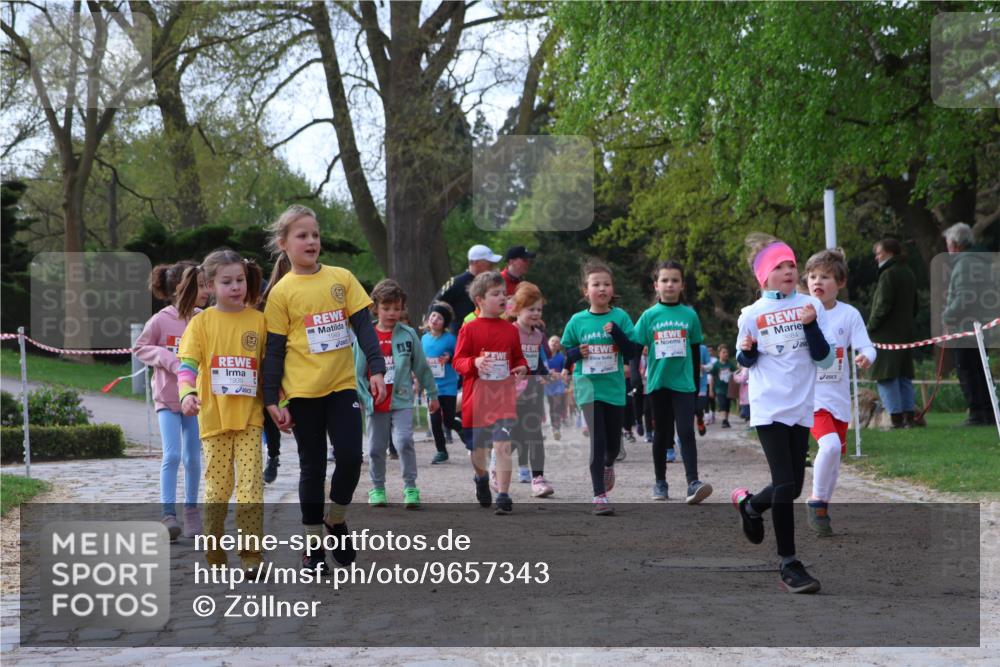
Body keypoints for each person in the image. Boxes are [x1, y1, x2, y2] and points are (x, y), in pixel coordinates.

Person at [262, 204, 386, 572]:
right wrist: (271, 399)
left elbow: (365, 326)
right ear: (284, 244)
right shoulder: (281, 293)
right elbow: (274, 351)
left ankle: (337, 518)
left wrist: (375, 369)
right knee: (312, 469)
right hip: (302, 394)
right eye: (302, 235)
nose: (311, 241)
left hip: (342, 387)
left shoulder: (341, 279)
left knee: (350, 457)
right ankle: (313, 546)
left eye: (315, 234)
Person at [730, 232, 835, 594]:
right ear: (764, 276)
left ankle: (750, 506)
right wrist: (746, 350)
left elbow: (823, 357)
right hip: (768, 407)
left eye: (792, 264)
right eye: (780, 266)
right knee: (786, 483)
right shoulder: (751, 315)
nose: (789, 271)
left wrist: (809, 325)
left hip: (801, 406)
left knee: (790, 488)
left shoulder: (811, 307)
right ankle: (789, 563)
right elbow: (745, 361)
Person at [176, 249, 268, 571]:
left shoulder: (259, 321)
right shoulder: (201, 323)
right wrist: (186, 392)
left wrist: (280, 403)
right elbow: (187, 366)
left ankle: (251, 556)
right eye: (226, 281)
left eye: (240, 280)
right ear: (210, 284)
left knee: (251, 486)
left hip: (250, 419)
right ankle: (214, 552)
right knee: (217, 489)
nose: (235, 287)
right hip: (213, 419)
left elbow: (270, 370)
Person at [135, 260, 210, 541]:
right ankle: (168, 513)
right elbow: (140, 347)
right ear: (180, 287)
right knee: (173, 454)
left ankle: (192, 511)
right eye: (201, 284)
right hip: (167, 400)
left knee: (193, 457)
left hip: (195, 401)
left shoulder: (204, 317)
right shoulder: (160, 320)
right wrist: (169, 360)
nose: (206, 290)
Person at [803, 249, 877, 536]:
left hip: (838, 399)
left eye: (825, 276)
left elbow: (866, 345)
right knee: (830, 446)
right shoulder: (801, 310)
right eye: (812, 276)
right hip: (811, 398)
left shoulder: (849, 315)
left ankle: (823, 509)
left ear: (841, 282)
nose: (817, 281)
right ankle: (815, 501)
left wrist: (866, 357)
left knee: (835, 456)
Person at [631, 261, 712, 504]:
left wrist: (698, 386)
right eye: (664, 280)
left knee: (686, 432)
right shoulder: (649, 316)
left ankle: (693, 482)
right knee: (662, 434)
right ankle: (660, 482)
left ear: (682, 285)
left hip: (684, 384)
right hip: (658, 384)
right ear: (656, 286)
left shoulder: (690, 315)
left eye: (675, 280)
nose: (670, 284)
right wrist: (635, 376)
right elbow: (635, 350)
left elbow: (696, 350)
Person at [561, 259, 637, 516]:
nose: (602, 289)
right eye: (596, 284)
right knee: (598, 440)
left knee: (613, 446)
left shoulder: (620, 317)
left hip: (614, 388)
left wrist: (617, 334)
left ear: (612, 289)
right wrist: (575, 352)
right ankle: (599, 495)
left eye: (606, 284)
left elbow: (632, 351)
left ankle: (608, 463)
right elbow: (565, 356)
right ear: (586, 291)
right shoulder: (577, 321)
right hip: (588, 388)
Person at [356, 279, 439, 508]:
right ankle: (377, 488)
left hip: (402, 399)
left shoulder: (409, 334)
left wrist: (432, 393)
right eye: (386, 308)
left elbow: (421, 367)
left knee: (404, 441)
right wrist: (364, 398)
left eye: (397, 308)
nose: (392, 313)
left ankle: (410, 487)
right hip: (376, 402)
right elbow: (357, 372)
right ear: (375, 308)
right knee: (375, 448)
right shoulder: (366, 336)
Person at [452, 271, 529, 514]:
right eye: (495, 294)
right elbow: (458, 361)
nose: (502, 298)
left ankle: (504, 496)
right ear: (480, 300)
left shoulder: (510, 330)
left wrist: (522, 367)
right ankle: (481, 478)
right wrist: (474, 363)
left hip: (503, 399)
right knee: (477, 451)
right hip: (476, 400)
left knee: (503, 446)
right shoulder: (470, 328)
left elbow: (518, 357)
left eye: (504, 294)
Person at [941, 223, 997, 426]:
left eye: (948, 245)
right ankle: (989, 412)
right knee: (981, 368)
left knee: (967, 369)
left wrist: (947, 316)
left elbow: (964, 298)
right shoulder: (981, 261)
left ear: (955, 245)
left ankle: (978, 413)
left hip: (967, 326)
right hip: (982, 324)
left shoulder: (964, 263)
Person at [507, 281, 555, 497]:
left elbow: (537, 364)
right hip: (510, 394)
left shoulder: (538, 336)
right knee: (516, 435)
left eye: (539, 309)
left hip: (533, 391)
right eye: (531, 309)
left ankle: (538, 478)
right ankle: (496, 463)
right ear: (517, 309)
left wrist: (547, 373)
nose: (536, 313)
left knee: (534, 434)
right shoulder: (509, 332)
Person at [867, 238, 921, 428]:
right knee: (904, 376)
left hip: (886, 335)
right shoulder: (908, 272)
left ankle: (895, 419)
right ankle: (910, 417)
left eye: (879, 252)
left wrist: (870, 327)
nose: (876, 257)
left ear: (889, 253)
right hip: (905, 333)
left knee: (886, 376)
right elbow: (915, 305)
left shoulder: (888, 274)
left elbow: (883, 306)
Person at [422, 302, 463, 463]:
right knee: (435, 421)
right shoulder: (424, 339)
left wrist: (449, 358)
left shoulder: (450, 339)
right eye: (433, 316)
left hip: (448, 386)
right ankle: (441, 451)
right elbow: (418, 359)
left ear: (444, 323)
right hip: (431, 387)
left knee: (448, 420)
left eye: (439, 318)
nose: (435, 320)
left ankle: (459, 426)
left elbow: (459, 357)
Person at [431, 244, 503, 334]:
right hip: (460, 335)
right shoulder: (457, 282)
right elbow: (435, 304)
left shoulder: (490, 283)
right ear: (476, 262)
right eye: (489, 263)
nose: (493, 266)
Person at [709, 344, 738, 429]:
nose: (726, 354)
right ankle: (724, 420)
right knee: (722, 404)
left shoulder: (730, 364)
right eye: (724, 352)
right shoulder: (716, 365)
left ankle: (726, 420)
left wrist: (741, 368)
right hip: (719, 389)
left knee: (727, 405)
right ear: (719, 354)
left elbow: (736, 372)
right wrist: (711, 390)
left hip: (728, 389)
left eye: (727, 352)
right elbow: (712, 378)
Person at [545, 336, 568, 441]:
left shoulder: (561, 357)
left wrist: (560, 376)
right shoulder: (543, 356)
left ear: (559, 346)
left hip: (558, 385)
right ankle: (553, 426)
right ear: (548, 343)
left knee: (557, 406)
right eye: (552, 341)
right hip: (547, 384)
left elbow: (565, 371)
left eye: (557, 342)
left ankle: (557, 428)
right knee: (551, 406)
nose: (554, 343)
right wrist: (549, 374)